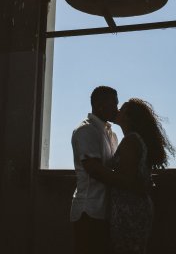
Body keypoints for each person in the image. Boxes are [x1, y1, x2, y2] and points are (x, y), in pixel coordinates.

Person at [85, 97, 176, 254]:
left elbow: (126, 181)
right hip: (132, 206)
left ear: (129, 118)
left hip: (130, 208)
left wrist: (96, 169)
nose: (117, 111)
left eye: (122, 110)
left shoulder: (131, 141)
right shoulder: (134, 140)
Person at [70, 85, 119, 254]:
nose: (116, 109)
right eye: (114, 104)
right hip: (89, 211)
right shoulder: (86, 130)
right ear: (99, 105)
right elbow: (94, 169)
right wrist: (128, 182)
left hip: (105, 211)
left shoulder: (111, 134)